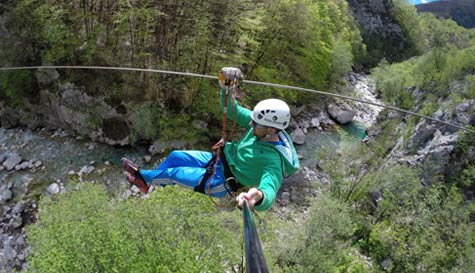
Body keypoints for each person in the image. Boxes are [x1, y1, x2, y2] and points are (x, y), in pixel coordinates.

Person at [122, 67, 300, 211]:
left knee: (174, 174)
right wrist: (227, 88)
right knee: (176, 156)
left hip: (222, 182)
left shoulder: (274, 161)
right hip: (218, 161)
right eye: (252, 121)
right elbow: (232, 111)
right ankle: (151, 182)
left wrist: (256, 196)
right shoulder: (260, 125)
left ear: (270, 129)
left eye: (256, 124)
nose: (251, 125)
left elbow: (269, 190)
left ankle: (144, 177)